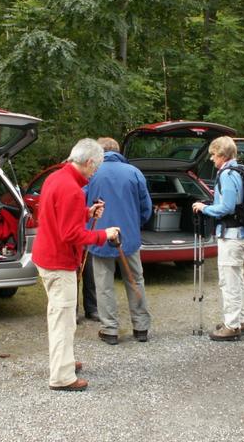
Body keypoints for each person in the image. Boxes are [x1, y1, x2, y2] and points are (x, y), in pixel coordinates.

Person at [32, 138, 120, 392]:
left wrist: (86, 213)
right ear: (89, 162)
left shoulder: (56, 179)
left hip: (46, 256)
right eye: (96, 167)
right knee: (63, 319)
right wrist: (105, 234)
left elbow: (58, 214)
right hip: (58, 262)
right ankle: (62, 377)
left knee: (63, 316)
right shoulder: (71, 188)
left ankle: (65, 361)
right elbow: (71, 234)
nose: (95, 173)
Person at [85, 137, 153, 345]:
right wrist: (134, 225)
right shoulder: (134, 172)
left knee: (104, 284)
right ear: (118, 150)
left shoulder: (92, 174)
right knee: (135, 281)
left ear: (99, 152)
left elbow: (83, 204)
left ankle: (110, 330)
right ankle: (141, 327)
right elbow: (146, 208)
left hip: (100, 236)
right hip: (128, 237)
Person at [192, 136, 244, 341]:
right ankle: (238, 320)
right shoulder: (240, 170)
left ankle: (232, 325)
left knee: (229, 281)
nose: (211, 159)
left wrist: (204, 207)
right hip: (241, 232)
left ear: (223, 155)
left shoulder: (226, 174)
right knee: (237, 277)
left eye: (213, 155)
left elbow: (227, 207)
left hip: (231, 234)